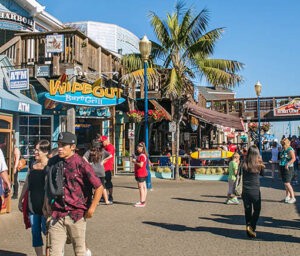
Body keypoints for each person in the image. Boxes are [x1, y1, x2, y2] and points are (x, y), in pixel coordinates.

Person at [45, 132, 103, 256]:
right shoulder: (53, 162)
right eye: (59, 145)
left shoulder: (81, 164)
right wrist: (47, 205)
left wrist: (92, 209)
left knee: (79, 251)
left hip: (77, 215)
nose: (60, 148)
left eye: (63, 145)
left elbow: (99, 187)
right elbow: (49, 185)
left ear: (73, 147)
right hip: (58, 214)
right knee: (54, 252)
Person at [18, 140, 51, 256]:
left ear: (45, 151)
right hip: (32, 204)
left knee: (47, 233)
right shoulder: (32, 164)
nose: (35, 152)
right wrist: (20, 199)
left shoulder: (49, 166)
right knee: (35, 233)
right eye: (35, 149)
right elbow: (27, 182)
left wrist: (47, 206)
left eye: (38, 150)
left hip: (45, 206)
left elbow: (50, 188)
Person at [242, 145, 265, 238]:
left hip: (245, 190)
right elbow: (263, 174)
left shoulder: (244, 163)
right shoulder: (259, 164)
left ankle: (248, 229)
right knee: (257, 209)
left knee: (247, 210)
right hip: (255, 190)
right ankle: (252, 226)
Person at [83, 139, 113, 205]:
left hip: (92, 170)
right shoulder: (102, 151)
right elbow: (110, 156)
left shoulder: (90, 151)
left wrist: (89, 163)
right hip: (101, 170)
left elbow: (83, 158)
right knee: (103, 186)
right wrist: (103, 161)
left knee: (93, 186)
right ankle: (106, 200)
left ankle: (95, 201)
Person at [279, 138, 296, 204]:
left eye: (283, 144)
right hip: (282, 166)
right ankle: (287, 197)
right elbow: (282, 158)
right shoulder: (284, 149)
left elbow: (293, 158)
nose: (282, 146)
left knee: (287, 183)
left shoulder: (290, 150)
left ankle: (293, 197)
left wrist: (287, 164)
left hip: (288, 168)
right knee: (286, 183)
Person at [132, 142, 148, 207]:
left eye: (138, 148)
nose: (137, 149)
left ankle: (142, 202)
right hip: (143, 173)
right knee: (144, 187)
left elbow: (141, 165)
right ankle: (143, 200)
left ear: (141, 148)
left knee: (141, 187)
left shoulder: (141, 156)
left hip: (140, 173)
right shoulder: (144, 155)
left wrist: (135, 162)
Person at [100, 136, 115, 202]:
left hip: (108, 167)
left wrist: (103, 161)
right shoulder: (103, 147)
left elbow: (109, 156)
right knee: (102, 183)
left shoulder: (110, 147)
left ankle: (110, 196)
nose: (102, 143)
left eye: (102, 142)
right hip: (102, 167)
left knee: (108, 182)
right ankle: (103, 196)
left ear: (106, 140)